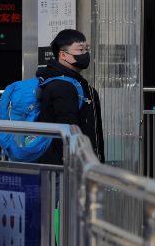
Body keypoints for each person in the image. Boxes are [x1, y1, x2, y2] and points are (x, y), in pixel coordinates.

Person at [36, 29, 105, 164]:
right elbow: (68, 132)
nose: (85, 54)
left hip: (77, 164)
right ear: (63, 55)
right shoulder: (62, 87)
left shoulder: (74, 83)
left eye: (86, 49)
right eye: (80, 50)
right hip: (68, 168)